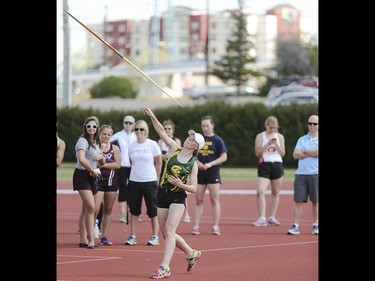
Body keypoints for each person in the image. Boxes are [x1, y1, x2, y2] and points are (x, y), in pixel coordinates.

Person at [142, 106, 203, 279]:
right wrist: (152, 115)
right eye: (189, 136)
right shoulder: (175, 148)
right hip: (162, 194)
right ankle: (191, 253)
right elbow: (162, 132)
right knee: (166, 233)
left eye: (192, 139)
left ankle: (165, 267)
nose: (189, 138)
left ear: (196, 146)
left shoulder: (193, 164)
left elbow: (194, 188)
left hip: (178, 197)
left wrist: (179, 184)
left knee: (169, 231)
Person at [124, 120, 162, 246]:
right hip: (134, 181)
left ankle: (155, 236)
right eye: (136, 129)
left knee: (153, 210)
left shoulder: (152, 144)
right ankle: (133, 236)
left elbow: (159, 163)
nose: (139, 132)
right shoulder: (132, 145)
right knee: (134, 210)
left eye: (141, 129)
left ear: (146, 131)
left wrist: (156, 178)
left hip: (150, 181)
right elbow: (131, 162)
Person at [72, 116, 105, 249]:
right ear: (85, 128)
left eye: (94, 126)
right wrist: (91, 170)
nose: (91, 128)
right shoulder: (82, 141)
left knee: (87, 208)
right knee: (91, 207)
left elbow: (102, 163)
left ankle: (83, 239)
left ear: (97, 128)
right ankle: (91, 240)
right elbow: (81, 159)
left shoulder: (97, 142)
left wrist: (100, 157)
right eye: (89, 126)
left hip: (93, 175)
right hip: (82, 175)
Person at [192, 115, 228, 235]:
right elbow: (192, 154)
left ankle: (216, 226)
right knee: (199, 200)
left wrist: (210, 164)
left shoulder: (218, 140)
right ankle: (196, 226)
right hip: (200, 172)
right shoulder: (199, 140)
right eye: (203, 126)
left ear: (212, 125)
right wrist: (198, 162)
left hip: (213, 172)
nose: (205, 128)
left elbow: (224, 156)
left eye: (207, 125)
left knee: (214, 199)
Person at [287, 115, 319, 235]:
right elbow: (295, 155)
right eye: (310, 123)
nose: (312, 126)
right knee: (298, 201)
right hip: (301, 174)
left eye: (315, 124)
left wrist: (304, 151)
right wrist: (312, 153)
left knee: (316, 201)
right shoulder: (302, 139)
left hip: (316, 173)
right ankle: (295, 225)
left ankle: (316, 225)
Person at [252, 116, 286, 227]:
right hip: (264, 164)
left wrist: (276, 144)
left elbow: (283, 153)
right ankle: (262, 217)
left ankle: (272, 217)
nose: (271, 130)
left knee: (275, 192)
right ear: (266, 125)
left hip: (277, 164)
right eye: (270, 127)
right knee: (260, 191)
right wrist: (268, 144)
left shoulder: (279, 137)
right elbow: (257, 152)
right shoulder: (260, 136)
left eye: (274, 127)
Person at [158, 119, 191, 223]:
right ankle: (166, 210)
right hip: (164, 167)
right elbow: (160, 156)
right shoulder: (160, 141)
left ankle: (186, 213)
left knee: (179, 189)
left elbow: (174, 154)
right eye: (165, 129)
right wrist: (166, 156)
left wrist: (166, 156)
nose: (167, 130)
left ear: (173, 130)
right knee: (164, 188)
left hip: (176, 168)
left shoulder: (176, 141)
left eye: (169, 129)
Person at [93, 125, 121, 245]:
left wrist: (102, 164)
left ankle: (104, 236)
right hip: (98, 182)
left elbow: (117, 165)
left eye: (109, 134)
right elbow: (92, 161)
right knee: (94, 209)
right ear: (100, 134)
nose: (106, 136)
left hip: (111, 182)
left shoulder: (114, 148)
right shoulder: (95, 147)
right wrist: (100, 153)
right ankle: (91, 232)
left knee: (108, 210)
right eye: (104, 134)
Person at [109, 115, 136, 224]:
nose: (128, 125)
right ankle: (123, 214)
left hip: (134, 167)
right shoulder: (117, 136)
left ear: (133, 124)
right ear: (123, 123)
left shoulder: (136, 136)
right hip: (121, 167)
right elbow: (107, 146)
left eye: (130, 123)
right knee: (122, 190)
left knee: (134, 190)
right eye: (126, 122)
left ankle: (134, 213)